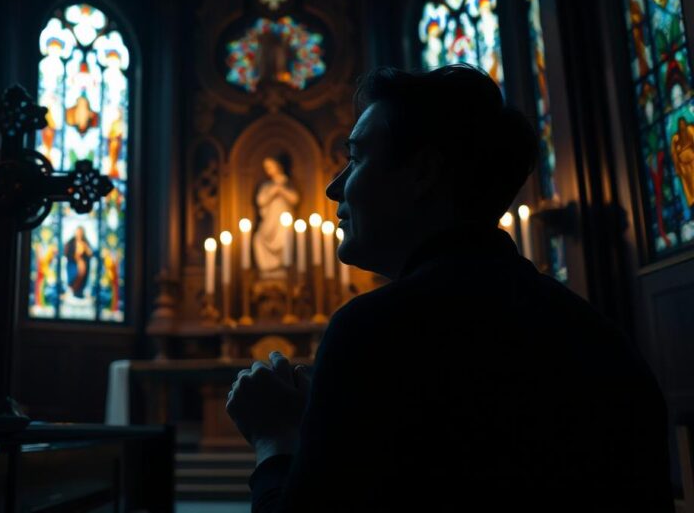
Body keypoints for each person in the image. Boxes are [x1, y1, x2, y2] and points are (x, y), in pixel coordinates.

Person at [226, 65, 672, 512]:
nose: (332, 187)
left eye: (357, 158)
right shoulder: (602, 340)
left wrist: (274, 441)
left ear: (422, 173)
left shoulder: (375, 334)